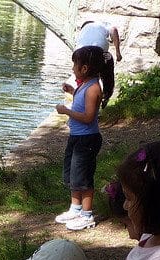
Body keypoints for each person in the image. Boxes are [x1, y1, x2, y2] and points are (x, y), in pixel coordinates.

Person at [54, 46, 105, 231]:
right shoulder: (84, 85)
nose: (73, 68)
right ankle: (75, 208)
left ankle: (87, 214)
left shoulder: (93, 88)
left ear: (84, 68)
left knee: (83, 176)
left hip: (87, 139)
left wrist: (66, 111)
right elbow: (82, 103)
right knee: (73, 174)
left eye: (75, 64)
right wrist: (72, 92)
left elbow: (88, 117)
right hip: (76, 137)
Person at [76, 20, 122, 108]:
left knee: (83, 76)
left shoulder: (82, 32)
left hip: (80, 52)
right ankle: (106, 94)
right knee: (107, 71)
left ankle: (82, 98)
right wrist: (118, 52)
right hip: (99, 50)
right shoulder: (102, 24)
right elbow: (113, 30)